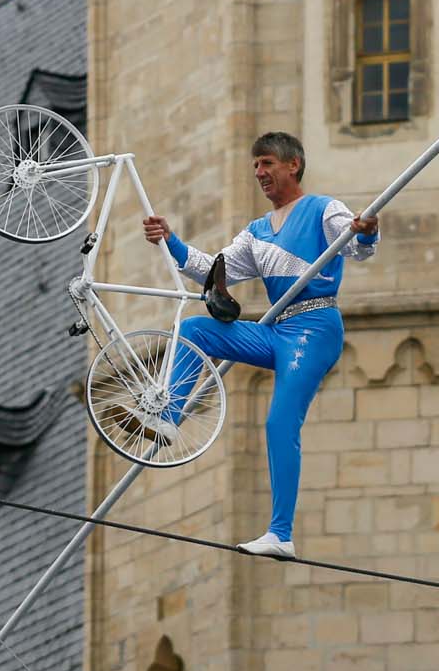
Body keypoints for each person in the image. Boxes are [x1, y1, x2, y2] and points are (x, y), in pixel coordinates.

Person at [141, 131, 377, 562]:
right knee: (194, 330)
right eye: (255, 166)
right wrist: (169, 240)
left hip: (314, 328)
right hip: (278, 330)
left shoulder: (323, 209)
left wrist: (365, 233)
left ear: (293, 165)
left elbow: (356, 246)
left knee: (279, 423)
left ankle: (281, 534)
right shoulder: (256, 233)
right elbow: (211, 269)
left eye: (267, 163)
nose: (259, 173)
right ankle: (169, 417)